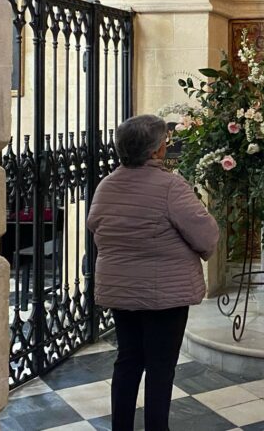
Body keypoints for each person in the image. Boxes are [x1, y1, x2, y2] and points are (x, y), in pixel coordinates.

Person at [87, 114, 219, 431]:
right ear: (157, 150)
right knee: (160, 368)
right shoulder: (170, 186)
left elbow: (95, 227)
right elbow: (206, 235)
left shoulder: (107, 185)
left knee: (128, 360)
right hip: (166, 296)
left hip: (122, 291)